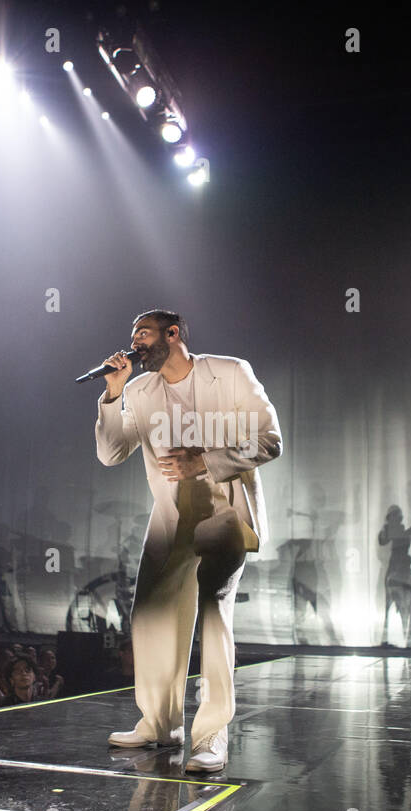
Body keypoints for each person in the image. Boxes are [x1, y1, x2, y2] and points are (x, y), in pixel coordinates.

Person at [93, 309, 282, 772]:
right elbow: (111, 453)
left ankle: (211, 735)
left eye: (143, 332)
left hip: (224, 512)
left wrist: (205, 460)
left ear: (172, 334)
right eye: (132, 333)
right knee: (152, 613)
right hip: (171, 518)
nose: (134, 342)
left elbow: (270, 439)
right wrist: (113, 392)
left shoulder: (231, 373)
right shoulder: (137, 390)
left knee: (214, 610)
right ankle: (159, 724)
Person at [378, 484, 411, 647]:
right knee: (392, 605)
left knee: (406, 606)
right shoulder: (391, 534)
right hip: (395, 573)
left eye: (399, 518)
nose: (400, 521)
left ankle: (409, 638)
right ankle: (392, 638)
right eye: (396, 518)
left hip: (401, 572)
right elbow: (382, 540)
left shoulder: (403, 535)